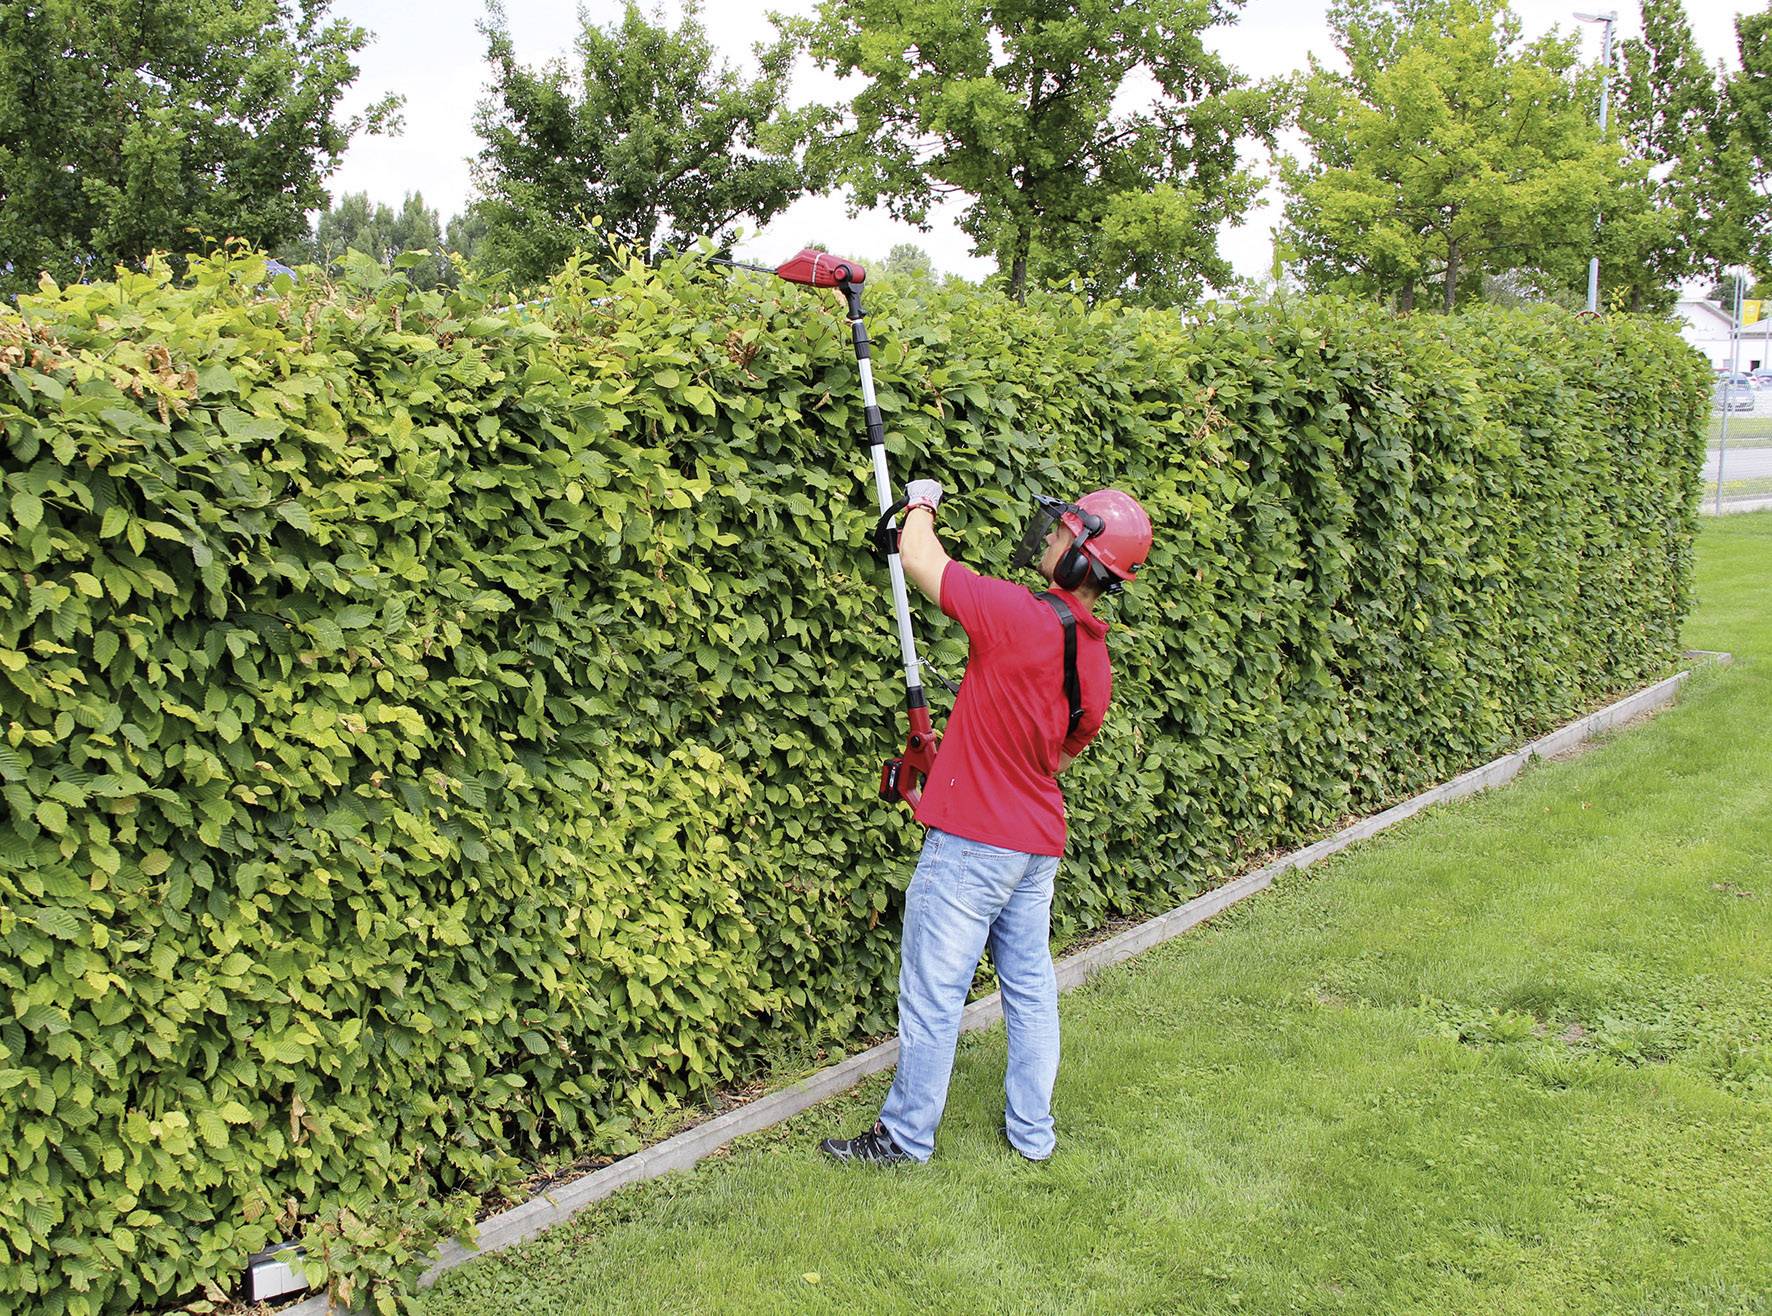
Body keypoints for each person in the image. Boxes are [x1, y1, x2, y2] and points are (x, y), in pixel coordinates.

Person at [819, 479, 1153, 1165]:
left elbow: (920, 561)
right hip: (1035, 848)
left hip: (974, 847)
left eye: (1065, 534)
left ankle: (905, 1138)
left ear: (1086, 560)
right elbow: (1057, 751)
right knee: (1030, 988)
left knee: (933, 992)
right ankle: (1033, 1133)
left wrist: (921, 501)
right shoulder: (1094, 660)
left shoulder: (1015, 613)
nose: (1052, 536)